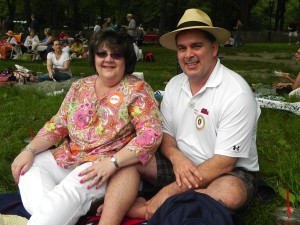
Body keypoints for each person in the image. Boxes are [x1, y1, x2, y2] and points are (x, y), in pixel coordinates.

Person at [114, 8, 260, 220]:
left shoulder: (236, 93)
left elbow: (225, 162)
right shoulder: (174, 84)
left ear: (214, 48)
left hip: (225, 172)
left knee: (230, 193)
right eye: (182, 48)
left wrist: (162, 196)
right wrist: (177, 157)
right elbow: (165, 133)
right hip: (179, 164)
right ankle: (179, 203)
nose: (188, 55)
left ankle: (147, 207)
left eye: (196, 46)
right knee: (130, 158)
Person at [10, 30, 162, 225]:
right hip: (69, 156)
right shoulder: (80, 86)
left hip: (103, 165)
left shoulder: (137, 90)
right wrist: (29, 150)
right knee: (29, 168)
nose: (108, 59)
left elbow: (151, 134)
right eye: (102, 53)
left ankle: (59, 211)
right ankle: (63, 211)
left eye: (116, 55)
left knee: (66, 195)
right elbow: (58, 124)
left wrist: (113, 162)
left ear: (126, 60)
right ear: (94, 57)